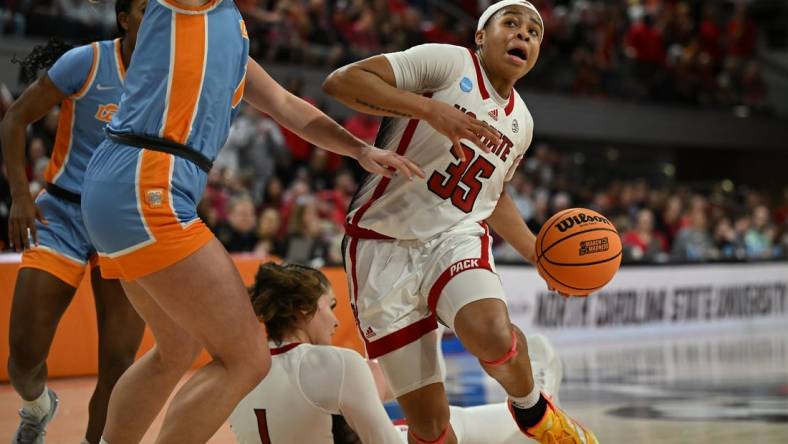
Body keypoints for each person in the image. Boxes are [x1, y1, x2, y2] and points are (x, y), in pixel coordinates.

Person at [77, 0, 424, 441]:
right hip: (146, 182)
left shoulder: (230, 32)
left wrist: (359, 149)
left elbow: (286, 105)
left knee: (176, 347)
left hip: (121, 184)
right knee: (247, 359)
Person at [323, 1, 597, 442]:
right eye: (511, 24)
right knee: (430, 427)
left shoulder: (522, 122)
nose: (523, 35)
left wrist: (534, 253)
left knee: (490, 331)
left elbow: (492, 194)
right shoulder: (448, 62)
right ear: (481, 36)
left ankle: (534, 413)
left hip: (455, 236)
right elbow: (342, 81)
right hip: (379, 245)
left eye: (533, 32)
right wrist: (428, 109)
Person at [0, 1, 147, 442]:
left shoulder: (170, 75)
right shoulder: (88, 61)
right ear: (124, 18)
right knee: (23, 358)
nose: (156, 17)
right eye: (144, 9)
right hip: (62, 212)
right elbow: (14, 119)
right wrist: (21, 196)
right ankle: (37, 406)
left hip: (125, 222)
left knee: (119, 365)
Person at [230, 262, 564, 444]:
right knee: (442, 425)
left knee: (420, 421)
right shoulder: (335, 363)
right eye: (329, 307)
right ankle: (539, 401)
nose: (334, 320)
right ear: (303, 311)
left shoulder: (237, 372)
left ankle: (537, 401)